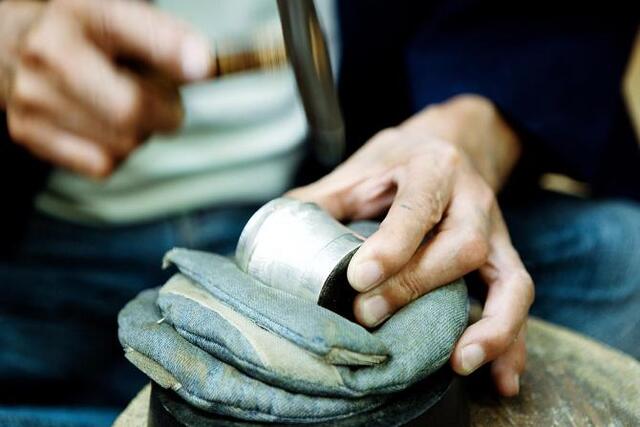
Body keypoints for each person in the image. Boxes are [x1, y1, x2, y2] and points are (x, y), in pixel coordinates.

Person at [0, 0, 638, 425]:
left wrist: (470, 131)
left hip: (335, 194)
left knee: (624, 258)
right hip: (33, 256)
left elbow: (539, 22)